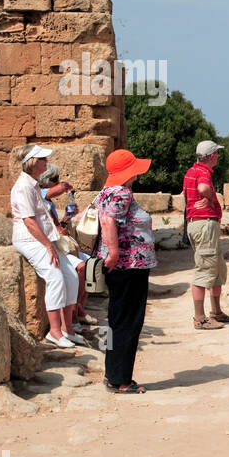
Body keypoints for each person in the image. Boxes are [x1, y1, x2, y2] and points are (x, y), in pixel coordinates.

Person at [94, 149, 157, 393]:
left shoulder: (107, 191)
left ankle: (112, 374)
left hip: (123, 267)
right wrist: (114, 253)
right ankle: (121, 381)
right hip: (129, 265)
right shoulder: (121, 192)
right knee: (129, 322)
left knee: (117, 320)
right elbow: (109, 221)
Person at [10, 145, 85, 349]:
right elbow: (29, 221)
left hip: (44, 238)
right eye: (43, 159)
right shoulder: (23, 187)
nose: (46, 162)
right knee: (55, 276)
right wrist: (48, 246)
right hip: (30, 240)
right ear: (34, 163)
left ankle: (68, 329)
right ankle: (54, 331)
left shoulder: (32, 184)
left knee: (69, 275)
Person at [38, 163, 94, 333]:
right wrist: (65, 186)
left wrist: (66, 219)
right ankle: (72, 317)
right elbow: (52, 192)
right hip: (51, 246)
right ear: (45, 181)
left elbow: (57, 226)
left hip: (61, 242)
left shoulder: (49, 202)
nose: (57, 182)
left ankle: (79, 308)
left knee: (92, 265)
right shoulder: (39, 194)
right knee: (81, 268)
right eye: (54, 179)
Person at [183, 139, 229, 330]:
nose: (218, 156)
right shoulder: (204, 173)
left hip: (199, 224)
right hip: (204, 226)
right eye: (217, 154)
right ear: (211, 156)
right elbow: (203, 188)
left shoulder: (192, 171)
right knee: (204, 269)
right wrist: (210, 197)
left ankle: (216, 311)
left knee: (216, 268)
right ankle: (200, 318)